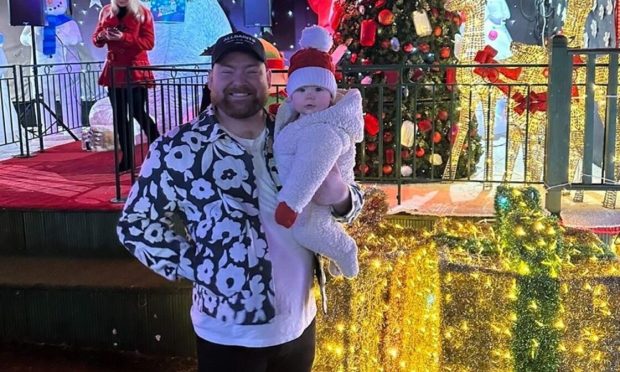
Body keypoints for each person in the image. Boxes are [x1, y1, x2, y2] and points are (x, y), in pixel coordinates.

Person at [117, 31, 364, 371]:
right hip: (227, 335)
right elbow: (136, 226)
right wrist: (201, 266)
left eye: (251, 70)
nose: (239, 81)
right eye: (227, 70)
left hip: (299, 325)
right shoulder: (178, 149)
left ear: (268, 78)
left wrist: (341, 197)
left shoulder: (299, 133)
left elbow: (352, 204)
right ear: (210, 79)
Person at [273, 25, 363, 278]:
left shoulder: (322, 129)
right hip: (307, 204)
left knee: (308, 229)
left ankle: (345, 251)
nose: (309, 96)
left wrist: (290, 203)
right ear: (291, 96)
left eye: (318, 89)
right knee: (313, 229)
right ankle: (339, 253)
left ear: (331, 95)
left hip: (307, 198)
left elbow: (310, 169)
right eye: (301, 90)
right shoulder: (297, 119)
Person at [92, 0, 160, 172]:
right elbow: (96, 38)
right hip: (115, 70)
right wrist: (102, 36)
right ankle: (127, 158)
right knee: (120, 116)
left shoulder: (143, 12)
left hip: (135, 69)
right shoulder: (106, 11)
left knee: (138, 112)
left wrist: (124, 37)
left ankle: (159, 149)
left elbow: (149, 43)